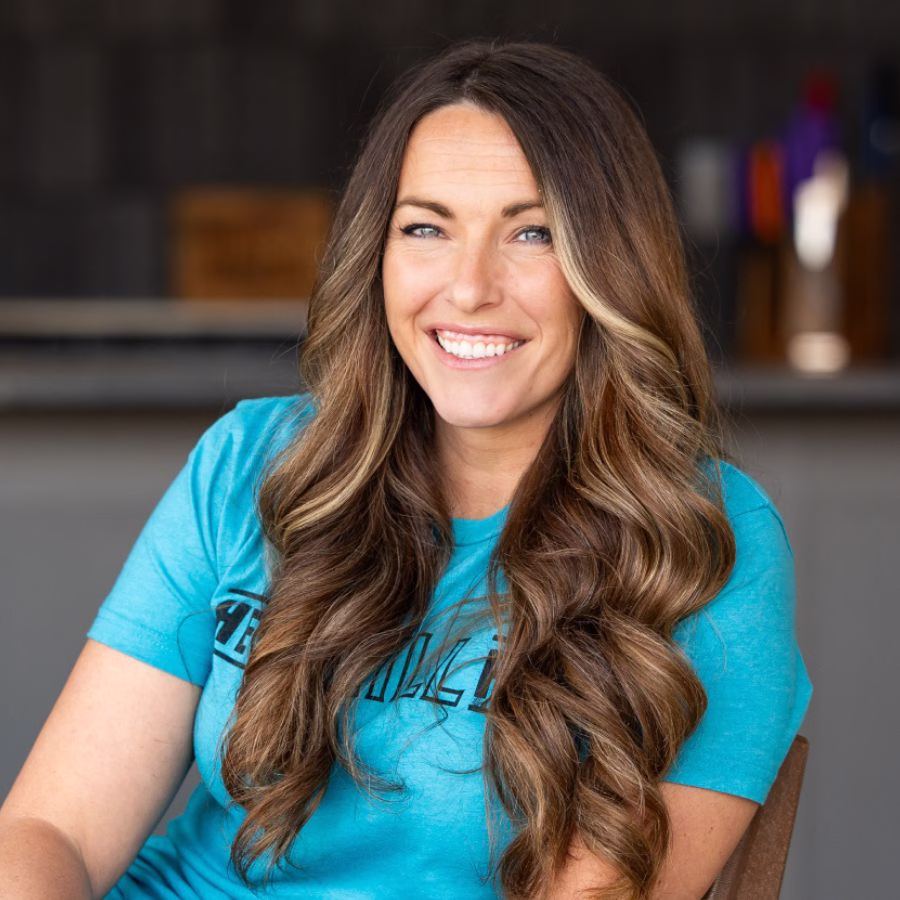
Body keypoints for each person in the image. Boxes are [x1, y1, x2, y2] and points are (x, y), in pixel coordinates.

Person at [0, 41, 810, 899]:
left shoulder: (702, 540)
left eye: (531, 232)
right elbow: (52, 829)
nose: (468, 287)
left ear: (606, 269)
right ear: (377, 255)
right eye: (426, 227)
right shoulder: (252, 465)